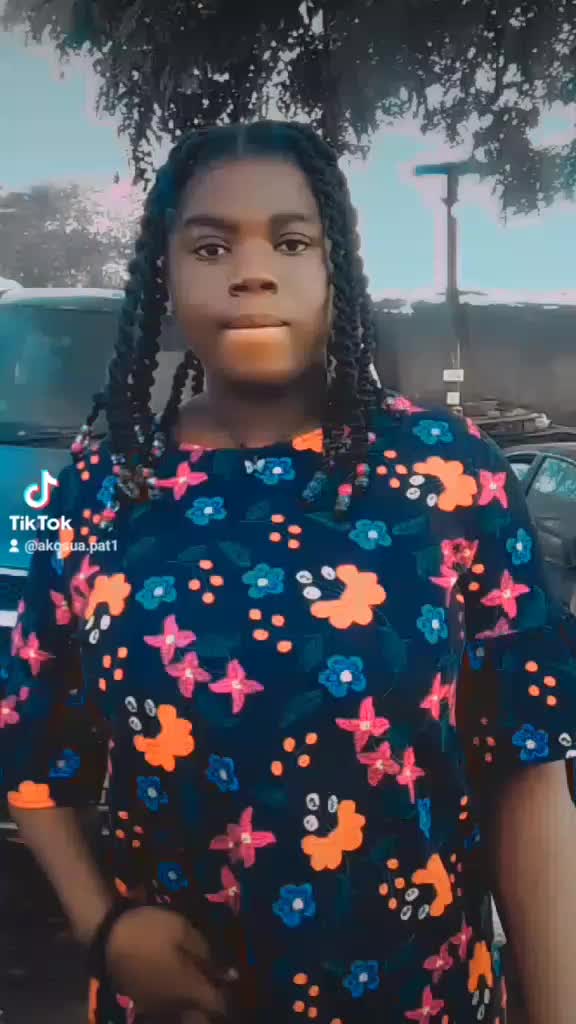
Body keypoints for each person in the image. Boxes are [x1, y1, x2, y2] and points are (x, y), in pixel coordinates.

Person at [1, 120, 576, 1024]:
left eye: (292, 241)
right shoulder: (98, 494)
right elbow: (31, 742)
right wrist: (104, 927)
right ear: (165, 276)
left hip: (419, 1000)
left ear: (335, 268)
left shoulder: (449, 475)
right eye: (211, 246)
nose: (252, 272)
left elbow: (526, 773)